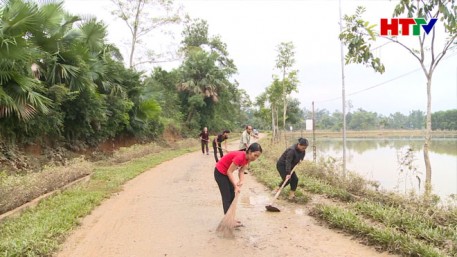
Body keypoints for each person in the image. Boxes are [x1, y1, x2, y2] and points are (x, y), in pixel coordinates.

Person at [214, 143, 263, 226]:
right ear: (250, 151)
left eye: (257, 156)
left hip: (226, 173)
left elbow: (241, 171)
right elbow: (229, 171)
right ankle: (228, 221)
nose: (255, 158)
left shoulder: (248, 160)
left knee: (232, 196)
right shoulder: (240, 157)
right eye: (255, 155)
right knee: (227, 197)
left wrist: (241, 180)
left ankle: (231, 219)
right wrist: (235, 186)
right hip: (220, 173)